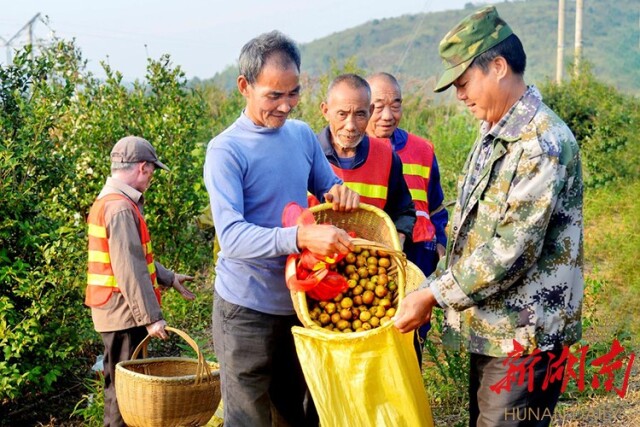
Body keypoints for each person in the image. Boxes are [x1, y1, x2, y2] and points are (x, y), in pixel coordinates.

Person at [394, 6, 583, 427]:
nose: (461, 95)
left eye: (464, 82)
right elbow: (470, 229)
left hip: (525, 337)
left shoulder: (541, 142)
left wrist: (431, 295)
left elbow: (511, 251)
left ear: (497, 67)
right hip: (494, 328)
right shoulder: (494, 132)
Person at [203, 31, 360, 426]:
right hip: (245, 310)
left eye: (293, 94)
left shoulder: (302, 135)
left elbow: (327, 187)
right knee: (248, 419)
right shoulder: (226, 150)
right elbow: (232, 237)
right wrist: (299, 237)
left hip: (299, 305)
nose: (286, 105)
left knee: (299, 412)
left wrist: (341, 194)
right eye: (274, 96)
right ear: (245, 86)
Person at [86, 135, 196, 427]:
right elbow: (129, 271)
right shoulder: (120, 208)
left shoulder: (114, 201)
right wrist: (152, 319)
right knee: (124, 394)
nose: (150, 179)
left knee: (125, 389)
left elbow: (135, 258)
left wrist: (168, 277)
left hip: (120, 312)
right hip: (123, 315)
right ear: (143, 168)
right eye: (151, 173)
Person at [366, 72, 449, 368]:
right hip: (371, 262)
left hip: (417, 258)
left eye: (396, 105)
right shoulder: (349, 152)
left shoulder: (422, 150)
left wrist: (440, 244)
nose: (387, 116)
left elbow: (436, 206)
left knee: (412, 337)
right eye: (377, 106)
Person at [317, 73, 416, 247]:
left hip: (368, 266)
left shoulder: (387, 157)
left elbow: (404, 211)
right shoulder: (306, 154)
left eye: (360, 115)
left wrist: (397, 241)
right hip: (311, 267)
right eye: (342, 114)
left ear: (370, 112)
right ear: (325, 111)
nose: (351, 126)